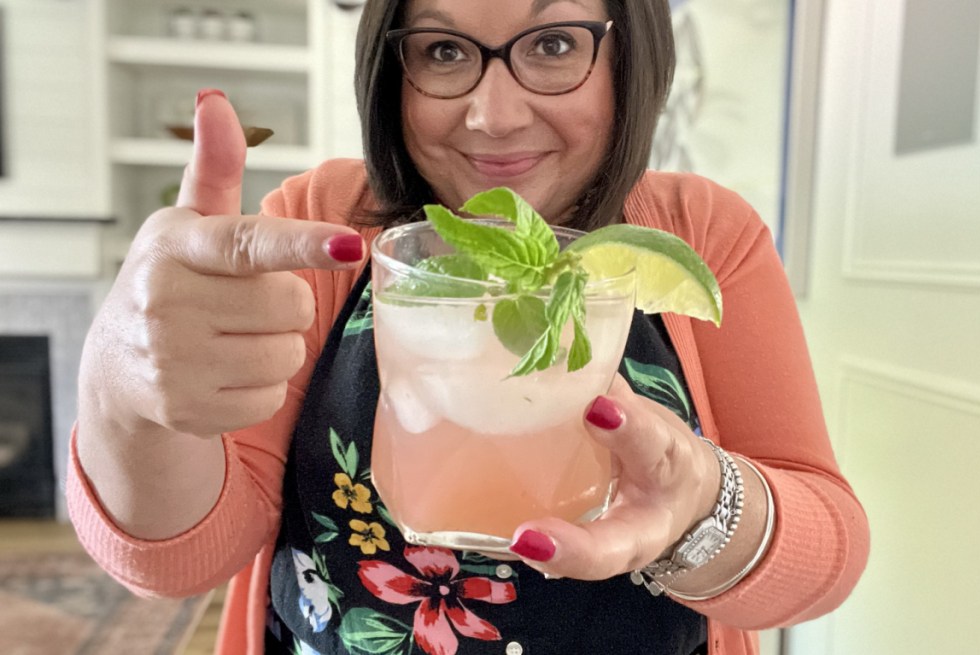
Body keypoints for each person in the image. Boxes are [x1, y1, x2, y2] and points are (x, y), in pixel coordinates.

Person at [67, 0, 869, 653]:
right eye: (445, 52)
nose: (493, 116)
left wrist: (698, 502)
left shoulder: (697, 238)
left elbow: (825, 555)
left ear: (632, 55)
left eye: (553, 43)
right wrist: (122, 395)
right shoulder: (321, 222)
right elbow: (180, 557)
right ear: (394, 67)